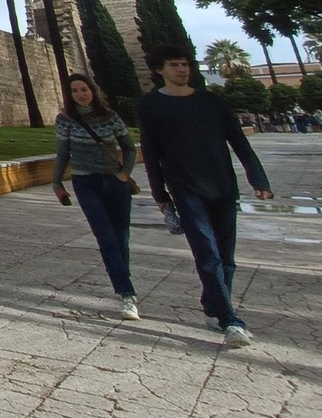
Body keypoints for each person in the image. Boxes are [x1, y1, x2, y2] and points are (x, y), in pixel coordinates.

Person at [138, 44, 274, 348]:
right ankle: (231, 321)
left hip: (224, 188)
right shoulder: (149, 106)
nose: (183, 70)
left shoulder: (212, 102)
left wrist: (258, 179)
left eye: (186, 64)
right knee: (208, 256)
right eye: (174, 65)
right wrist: (160, 194)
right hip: (186, 191)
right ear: (160, 70)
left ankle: (212, 303)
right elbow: (150, 152)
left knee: (227, 261)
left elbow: (239, 142)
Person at [52, 75, 139, 319]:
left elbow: (130, 148)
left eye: (84, 89)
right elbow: (62, 152)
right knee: (105, 236)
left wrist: (124, 174)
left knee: (121, 237)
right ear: (69, 95)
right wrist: (57, 182)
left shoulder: (110, 116)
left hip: (114, 181)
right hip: (85, 182)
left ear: (93, 90)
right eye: (75, 91)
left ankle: (124, 283)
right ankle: (127, 293)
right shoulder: (65, 119)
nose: (81, 94)